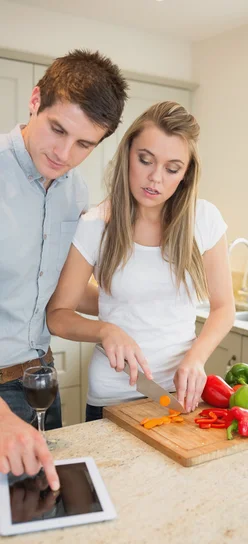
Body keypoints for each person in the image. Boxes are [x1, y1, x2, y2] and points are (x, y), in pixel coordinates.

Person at [47, 101, 235, 417]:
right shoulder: (96, 225)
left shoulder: (203, 219)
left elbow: (224, 307)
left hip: (177, 395)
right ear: (128, 154)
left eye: (172, 168)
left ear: (185, 174)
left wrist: (196, 358)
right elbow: (58, 313)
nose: (155, 178)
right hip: (112, 398)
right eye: (145, 160)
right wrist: (105, 330)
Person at [0, 49, 128, 489]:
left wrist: (128, 307)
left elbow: (59, 289)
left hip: (39, 382)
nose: (64, 154)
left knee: (42, 518)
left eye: (84, 145)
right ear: (36, 99)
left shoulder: (76, 192)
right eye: (58, 130)